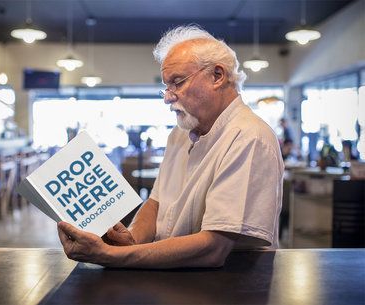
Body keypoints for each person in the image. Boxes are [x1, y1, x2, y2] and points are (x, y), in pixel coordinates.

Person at [58, 25, 284, 269]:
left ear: (217, 76)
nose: (168, 96)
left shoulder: (249, 137)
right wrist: (131, 240)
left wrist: (110, 256)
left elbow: (213, 248)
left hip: (229, 286)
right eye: (166, 86)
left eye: (177, 82)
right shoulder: (180, 133)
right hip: (174, 278)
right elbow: (157, 203)